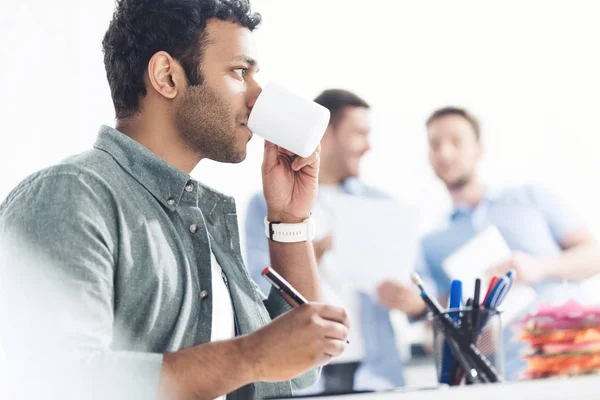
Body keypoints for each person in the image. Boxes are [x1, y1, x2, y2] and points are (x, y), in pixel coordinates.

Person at [0, 1, 351, 399]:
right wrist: (249, 356)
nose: (257, 97)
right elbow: (60, 381)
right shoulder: (73, 196)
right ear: (167, 76)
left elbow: (294, 372)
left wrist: (289, 220)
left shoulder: (200, 218)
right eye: (240, 71)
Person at [377, 106, 600, 380]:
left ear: (479, 149)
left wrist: (540, 267)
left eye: (455, 141)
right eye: (435, 144)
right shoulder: (430, 244)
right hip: (508, 379)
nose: (444, 152)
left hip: (581, 362)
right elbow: (434, 333)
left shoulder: (531, 198)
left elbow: (594, 255)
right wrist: (459, 335)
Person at [245, 89, 406, 393]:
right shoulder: (268, 203)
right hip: (302, 379)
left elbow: (412, 283)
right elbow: (259, 288)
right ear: (326, 134)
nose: (368, 146)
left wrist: (409, 299)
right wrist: (310, 248)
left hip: (375, 377)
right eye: (359, 134)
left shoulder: (382, 207)